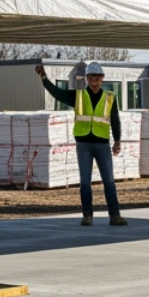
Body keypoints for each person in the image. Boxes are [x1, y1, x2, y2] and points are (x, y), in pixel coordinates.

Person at [36, 61, 126, 226]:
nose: (95, 80)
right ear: (87, 78)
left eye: (98, 77)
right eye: (92, 77)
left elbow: (115, 120)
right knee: (85, 181)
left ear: (102, 78)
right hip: (84, 144)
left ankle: (115, 215)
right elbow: (57, 93)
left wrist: (117, 140)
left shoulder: (109, 98)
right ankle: (87, 215)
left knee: (109, 181)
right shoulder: (78, 96)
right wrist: (44, 78)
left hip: (102, 144)